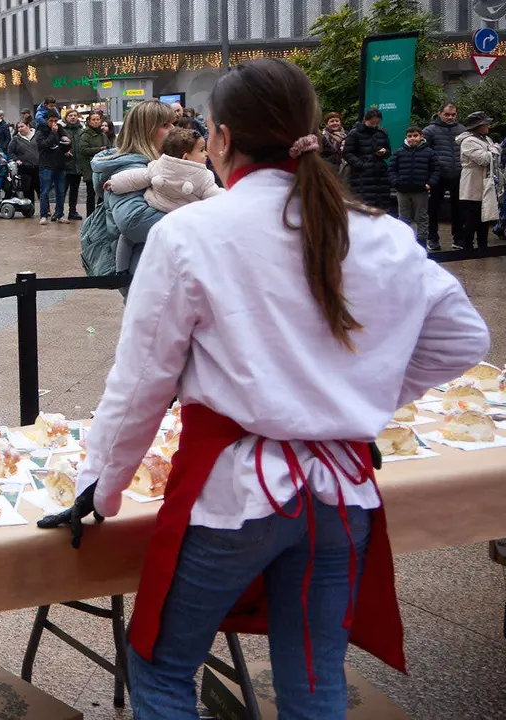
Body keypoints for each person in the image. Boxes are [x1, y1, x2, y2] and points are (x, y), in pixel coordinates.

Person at [41, 58, 489, 719]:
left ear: (219, 137)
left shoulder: (190, 233)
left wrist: (99, 486)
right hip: (341, 492)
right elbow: (461, 341)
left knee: (163, 673)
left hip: (233, 495)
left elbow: (140, 382)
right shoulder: (379, 231)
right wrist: (356, 403)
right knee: (313, 682)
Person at [84, 100, 174, 276]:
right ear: (146, 131)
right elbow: (133, 221)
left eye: (173, 123)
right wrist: (189, 220)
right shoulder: (131, 169)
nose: (173, 129)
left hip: (153, 265)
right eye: (165, 124)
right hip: (146, 270)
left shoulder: (151, 164)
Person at [104, 127, 224, 213]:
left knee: (125, 242)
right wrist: (233, 199)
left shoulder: (158, 166)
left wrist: (114, 183)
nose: (206, 154)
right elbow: (214, 195)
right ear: (186, 156)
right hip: (184, 218)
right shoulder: (203, 176)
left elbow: (135, 177)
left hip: (155, 208)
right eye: (201, 150)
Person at [388, 125, 439, 247]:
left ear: (421, 137)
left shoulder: (430, 153)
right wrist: (396, 182)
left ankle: (421, 243)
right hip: (402, 191)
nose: (412, 139)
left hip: (421, 191)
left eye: (415, 136)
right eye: (409, 136)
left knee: (421, 217)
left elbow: (436, 170)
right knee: (403, 218)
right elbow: (391, 170)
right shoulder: (399, 152)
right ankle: (405, 243)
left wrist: (429, 184)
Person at [423, 103, 465, 251]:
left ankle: (459, 239)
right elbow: (423, 152)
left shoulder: (462, 130)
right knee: (433, 208)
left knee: (458, 208)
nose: (450, 117)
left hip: (458, 175)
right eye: (447, 114)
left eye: (453, 115)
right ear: (439, 113)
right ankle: (432, 238)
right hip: (437, 176)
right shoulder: (429, 131)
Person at [456, 111, 499, 251]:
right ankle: (467, 247)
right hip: (472, 182)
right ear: (478, 126)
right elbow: (484, 159)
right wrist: (494, 150)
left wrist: (492, 150)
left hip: (485, 181)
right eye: (486, 124)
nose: (488, 126)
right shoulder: (468, 141)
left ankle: (483, 246)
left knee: (485, 216)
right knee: (472, 217)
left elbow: (493, 156)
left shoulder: (486, 139)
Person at [342, 108, 392, 211]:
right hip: (361, 177)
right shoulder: (354, 133)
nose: (375, 125)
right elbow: (347, 153)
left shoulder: (382, 133)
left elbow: (388, 152)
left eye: (377, 123)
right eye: (372, 122)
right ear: (365, 119)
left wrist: (384, 152)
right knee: (364, 208)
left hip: (380, 177)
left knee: (381, 208)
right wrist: (361, 165)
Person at [36, 111, 70, 224]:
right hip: (46, 164)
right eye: (51, 121)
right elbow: (44, 145)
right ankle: (44, 215)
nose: (54, 123)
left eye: (56, 120)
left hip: (59, 164)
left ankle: (59, 214)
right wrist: (53, 133)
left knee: (60, 191)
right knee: (45, 191)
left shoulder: (60, 128)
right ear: (46, 120)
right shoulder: (41, 130)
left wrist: (67, 143)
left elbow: (66, 143)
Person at [77, 112, 111, 217]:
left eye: (98, 119)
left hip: (102, 168)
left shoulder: (103, 134)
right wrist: (99, 150)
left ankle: (100, 216)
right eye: (93, 119)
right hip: (90, 168)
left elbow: (109, 146)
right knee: (91, 194)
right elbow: (83, 150)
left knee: (103, 194)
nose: (96, 122)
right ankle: (90, 217)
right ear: (89, 121)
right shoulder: (85, 134)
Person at [62, 109, 86, 221]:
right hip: (65, 166)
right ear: (66, 117)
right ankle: (59, 212)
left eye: (75, 115)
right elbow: (57, 144)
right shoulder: (62, 130)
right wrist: (64, 151)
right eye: (70, 115)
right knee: (62, 190)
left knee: (74, 191)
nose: (73, 117)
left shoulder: (81, 130)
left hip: (77, 166)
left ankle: (73, 211)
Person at [8, 120, 40, 205]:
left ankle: (46, 209)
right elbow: (10, 152)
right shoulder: (15, 139)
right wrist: (16, 159)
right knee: (28, 190)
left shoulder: (37, 135)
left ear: (28, 126)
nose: (20, 129)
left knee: (41, 190)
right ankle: (29, 209)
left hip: (38, 167)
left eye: (22, 126)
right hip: (25, 168)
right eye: (18, 127)